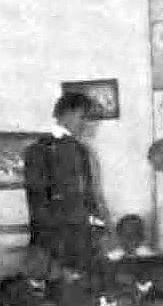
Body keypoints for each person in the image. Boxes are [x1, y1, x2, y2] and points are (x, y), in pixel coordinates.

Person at [23, 92, 107, 276]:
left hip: (82, 238)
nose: (85, 124)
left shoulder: (82, 150)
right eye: (82, 117)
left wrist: (96, 224)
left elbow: (88, 195)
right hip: (54, 240)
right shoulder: (39, 150)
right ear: (67, 113)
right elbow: (37, 200)